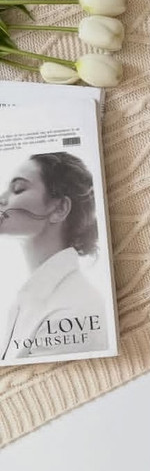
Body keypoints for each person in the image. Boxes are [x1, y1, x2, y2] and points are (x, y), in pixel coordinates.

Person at [0, 152, 108, 361]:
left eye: (18, 189)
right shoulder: (27, 298)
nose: (2, 198)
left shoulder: (72, 309)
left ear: (59, 208)